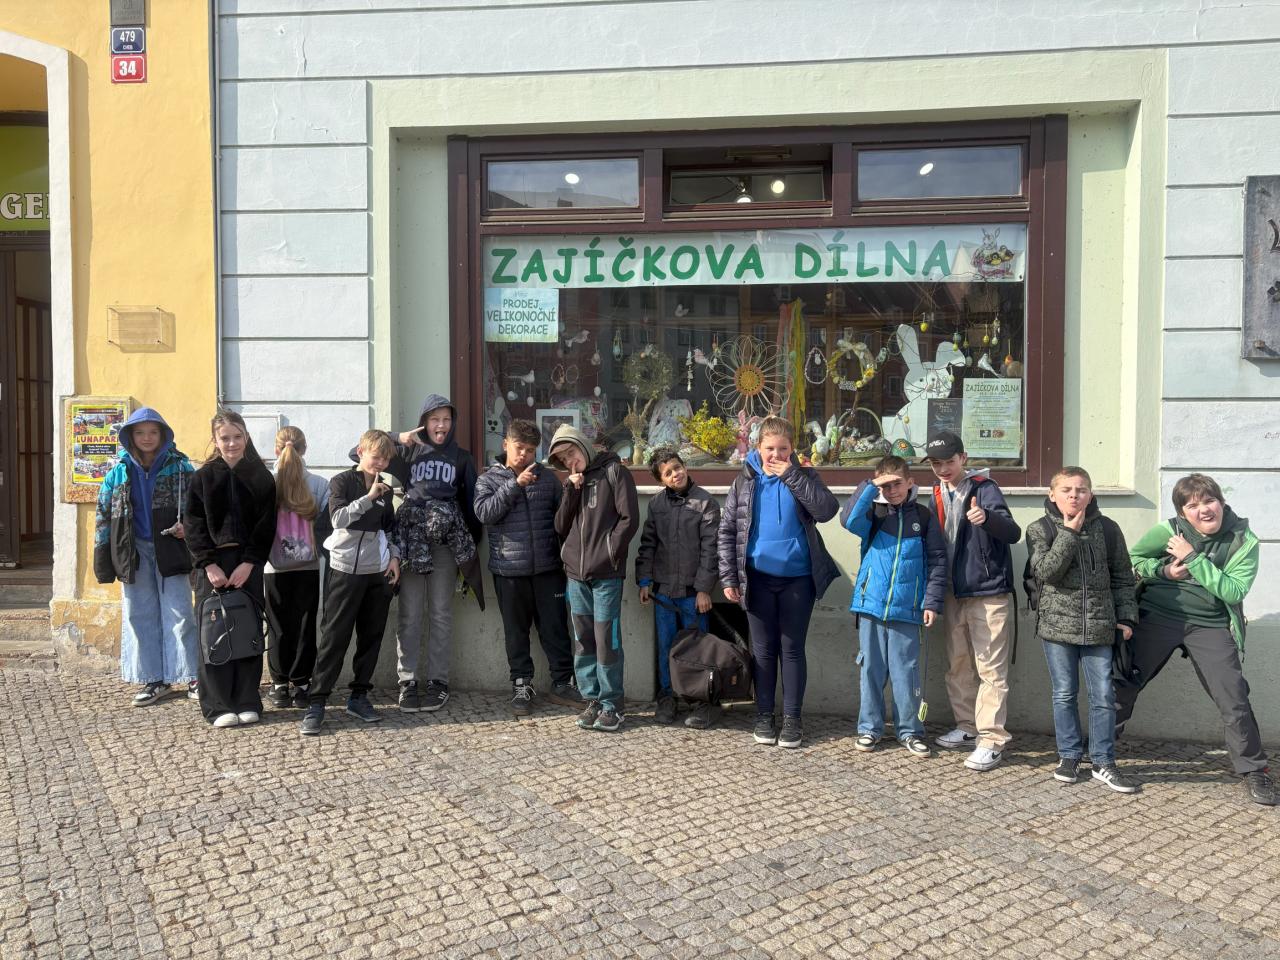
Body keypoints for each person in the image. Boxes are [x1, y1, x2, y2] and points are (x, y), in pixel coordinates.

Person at [1117, 473, 1276, 806]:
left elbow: (1233, 591)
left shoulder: (1243, 539)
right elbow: (1133, 560)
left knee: (1234, 696)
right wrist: (1164, 571)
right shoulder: (1168, 530)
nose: (1203, 509)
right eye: (1193, 505)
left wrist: (1192, 558)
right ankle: (1101, 747)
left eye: (1209, 500)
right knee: (1124, 680)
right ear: (1182, 513)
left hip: (1210, 624)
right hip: (1158, 615)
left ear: (1222, 502)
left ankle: (1254, 770)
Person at [718, 416, 838, 749]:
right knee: (763, 651)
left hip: (798, 579)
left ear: (791, 449)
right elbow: (728, 530)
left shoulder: (804, 475)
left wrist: (792, 475)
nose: (776, 455)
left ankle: (792, 720)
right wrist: (729, 577)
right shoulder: (745, 480)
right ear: (758, 448)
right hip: (756, 579)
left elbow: (826, 510)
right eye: (769, 448)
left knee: (792, 649)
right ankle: (763, 716)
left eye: (783, 449)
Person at [1026, 466, 1139, 794]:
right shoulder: (1040, 528)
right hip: (1057, 627)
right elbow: (1046, 572)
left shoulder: (1108, 529)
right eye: (1066, 490)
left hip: (1100, 625)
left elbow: (1123, 576)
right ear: (1052, 494)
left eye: (1081, 490)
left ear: (1090, 495)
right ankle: (1069, 756)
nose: (1074, 496)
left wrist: (1126, 618)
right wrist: (1069, 533)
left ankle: (1103, 761)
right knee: (1064, 693)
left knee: (1103, 695)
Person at [375, 394, 484, 714]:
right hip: (411, 544)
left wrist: (469, 551)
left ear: (453, 423)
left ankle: (438, 682)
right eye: (435, 419)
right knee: (409, 614)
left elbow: (471, 507)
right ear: (424, 422)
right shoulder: (408, 452)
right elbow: (359, 451)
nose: (441, 425)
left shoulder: (462, 458)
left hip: (446, 546)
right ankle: (407, 681)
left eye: (446, 419)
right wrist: (397, 438)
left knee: (440, 614)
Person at [921, 429, 1022, 772]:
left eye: (949, 461)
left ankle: (991, 740)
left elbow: (1012, 532)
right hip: (952, 592)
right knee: (958, 665)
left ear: (963, 458)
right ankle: (967, 727)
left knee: (991, 669)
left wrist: (987, 519)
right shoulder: (936, 492)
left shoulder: (985, 488)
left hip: (987, 592)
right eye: (936, 463)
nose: (943, 469)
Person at [472, 419, 582, 717]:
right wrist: (515, 485)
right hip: (508, 571)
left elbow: (563, 520)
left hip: (548, 568)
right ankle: (521, 684)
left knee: (555, 629)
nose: (524, 455)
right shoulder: (488, 479)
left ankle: (563, 682)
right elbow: (484, 514)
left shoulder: (547, 479)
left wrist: (571, 490)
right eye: (519, 448)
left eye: (531, 450)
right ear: (505, 444)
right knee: (516, 632)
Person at [93, 407, 199, 706]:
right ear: (130, 436)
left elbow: (199, 509)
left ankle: (191, 675)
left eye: (153, 432)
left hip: (172, 546)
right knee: (139, 613)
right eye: (140, 432)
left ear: (163, 435)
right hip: (133, 550)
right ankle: (154, 679)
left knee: (180, 612)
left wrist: (189, 528)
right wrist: (103, 562)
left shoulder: (182, 468)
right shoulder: (118, 472)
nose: (147, 438)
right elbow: (103, 517)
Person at [842, 456, 946, 757]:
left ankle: (910, 731)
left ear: (910, 482)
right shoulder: (873, 514)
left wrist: (931, 602)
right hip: (871, 607)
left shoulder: (924, 517)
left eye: (897, 483)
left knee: (906, 673)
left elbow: (938, 561)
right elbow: (848, 520)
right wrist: (871, 486)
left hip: (908, 609)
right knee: (871, 670)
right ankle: (869, 728)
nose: (892, 490)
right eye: (886, 486)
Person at [300, 430, 401, 736]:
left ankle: (359, 697)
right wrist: (368, 498)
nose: (380, 463)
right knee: (334, 637)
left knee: (371, 637)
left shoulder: (386, 490)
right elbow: (337, 519)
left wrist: (394, 558)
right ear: (361, 452)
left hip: (377, 572)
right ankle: (317, 702)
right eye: (376, 456)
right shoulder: (342, 481)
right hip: (344, 570)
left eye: (385, 459)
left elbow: (389, 529)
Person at [184, 410, 277, 728]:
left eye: (238, 437)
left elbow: (266, 525)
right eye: (225, 438)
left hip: (248, 565)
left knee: (247, 631)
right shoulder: (202, 478)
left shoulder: (262, 477)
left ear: (246, 437)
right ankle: (218, 705)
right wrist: (208, 564)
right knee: (214, 634)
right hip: (211, 567)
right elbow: (193, 525)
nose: (232, 443)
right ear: (215, 440)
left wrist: (250, 563)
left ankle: (248, 700)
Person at [548, 423, 639, 733]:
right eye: (563, 459)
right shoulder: (572, 483)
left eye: (572, 452)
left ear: (583, 446)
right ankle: (593, 699)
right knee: (584, 640)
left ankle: (613, 704)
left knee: (606, 640)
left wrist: (610, 551)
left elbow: (629, 519)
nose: (570, 461)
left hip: (606, 575)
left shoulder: (614, 472)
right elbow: (560, 526)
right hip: (575, 575)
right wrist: (570, 491)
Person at [636, 447, 721, 728]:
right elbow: (648, 544)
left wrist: (704, 589)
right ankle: (667, 697)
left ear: (685, 466)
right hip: (663, 593)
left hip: (693, 594)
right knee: (666, 648)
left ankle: (702, 700)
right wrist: (645, 581)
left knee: (697, 648)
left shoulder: (705, 503)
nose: (675, 474)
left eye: (677, 467)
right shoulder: (656, 505)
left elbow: (711, 550)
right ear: (660, 480)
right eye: (668, 473)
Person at [264, 426, 330, 710]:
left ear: (276, 450)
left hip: (273, 565)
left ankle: (279, 686)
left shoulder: (267, 483)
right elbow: (327, 526)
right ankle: (302, 685)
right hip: (308, 564)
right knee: (305, 624)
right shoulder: (320, 484)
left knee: (278, 624)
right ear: (304, 449)